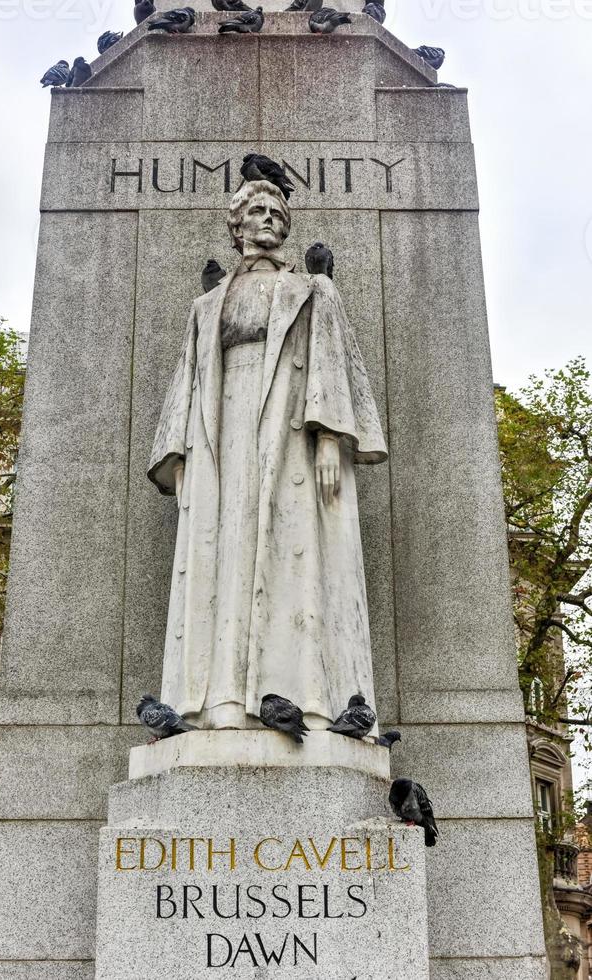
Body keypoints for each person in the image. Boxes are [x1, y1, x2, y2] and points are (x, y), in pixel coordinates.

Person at [148, 179, 387, 732]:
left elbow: (331, 361)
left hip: (290, 431)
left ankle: (305, 699)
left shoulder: (313, 291)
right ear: (235, 227)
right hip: (221, 438)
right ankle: (222, 702)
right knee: (224, 559)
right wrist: (179, 457)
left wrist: (329, 437)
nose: (270, 219)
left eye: (277, 211)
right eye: (257, 210)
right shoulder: (206, 305)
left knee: (291, 558)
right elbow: (189, 378)